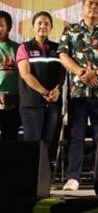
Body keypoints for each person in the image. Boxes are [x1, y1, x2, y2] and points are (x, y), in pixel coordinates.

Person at [58, 0, 98, 191]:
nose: (93, 7)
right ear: (83, 7)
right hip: (78, 92)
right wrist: (81, 72)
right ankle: (73, 177)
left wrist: (97, 73)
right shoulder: (71, 30)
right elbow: (63, 55)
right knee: (76, 135)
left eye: (97, 4)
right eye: (90, 4)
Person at [16, 12, 65, 151]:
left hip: (53, 104)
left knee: (48, 143)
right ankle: (31, 166)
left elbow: (62, 73)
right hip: (31, 104)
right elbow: (25, 74)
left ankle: (46, 166)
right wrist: (44, 92)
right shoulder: (24, 47)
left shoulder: (59, 48)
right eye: (39, 23)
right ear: (33, 27)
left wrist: (57, 90)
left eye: (46, 24)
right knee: (32, 143)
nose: (43, 26)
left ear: (51, 28)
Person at [0, 11, 20, 140]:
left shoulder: (19, 49)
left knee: (10, 141)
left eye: (1, 25)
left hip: (13, 104)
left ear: (9, 27)